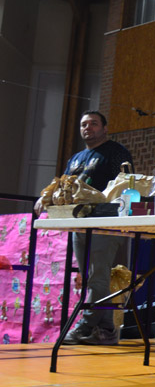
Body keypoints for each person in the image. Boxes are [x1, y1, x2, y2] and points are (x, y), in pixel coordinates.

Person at [35, 110, 133, 346]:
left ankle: (85, 326)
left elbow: (125, 184)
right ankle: (106, 330)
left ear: (105, 128)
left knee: (98, 276)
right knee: (92, 277)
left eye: (93, 124)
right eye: (84, 124)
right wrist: (45, 197)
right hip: (79, 223)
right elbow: (62, 185)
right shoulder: (76, 158)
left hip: (104, 222)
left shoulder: (116, 152)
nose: (88, 127)